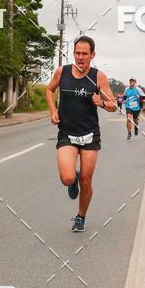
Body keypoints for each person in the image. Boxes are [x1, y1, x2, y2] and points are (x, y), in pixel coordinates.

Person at [46, 36, 117, 231]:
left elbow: (113, 105)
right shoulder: (62, 72)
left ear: (92, 55)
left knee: (87, 181)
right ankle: (73, 179)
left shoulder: (98, 76)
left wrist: (101, 102)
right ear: (73, 53)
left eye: (85, 54)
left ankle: (81, 216)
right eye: (77, 53)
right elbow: (49, 90)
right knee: (67, 178)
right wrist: (53, 111)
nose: (80, 57)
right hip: (67, 133)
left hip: (89, 135)